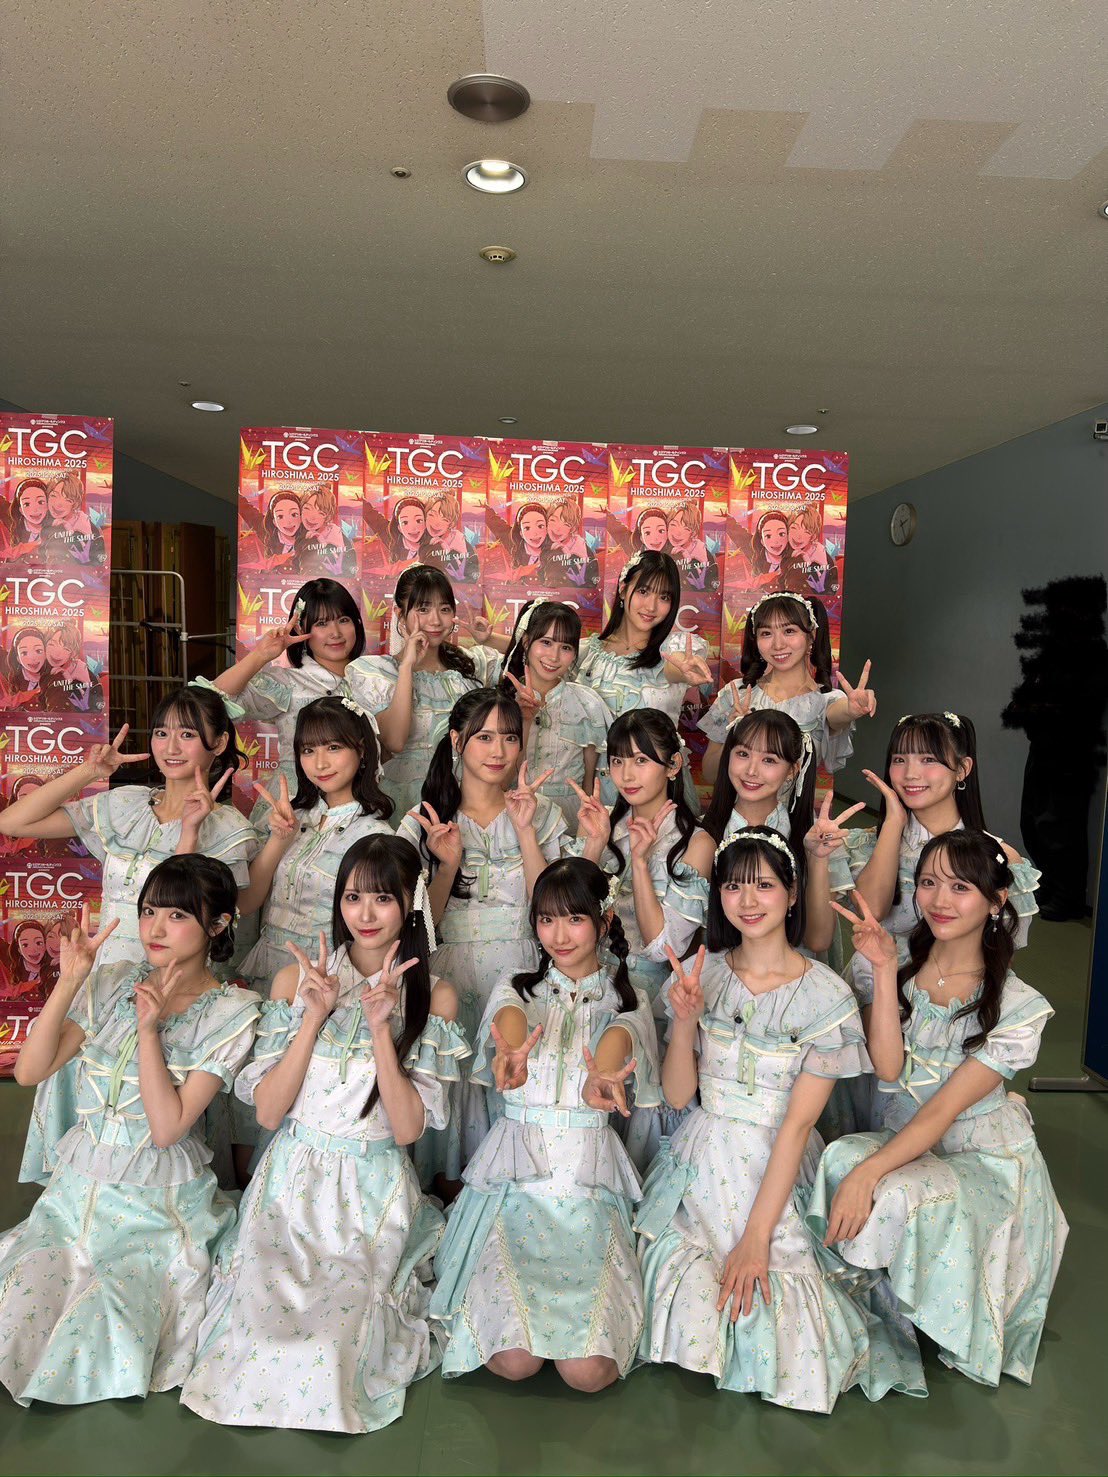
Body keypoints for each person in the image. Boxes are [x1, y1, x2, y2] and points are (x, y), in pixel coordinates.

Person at [180, 835, 466, 1433]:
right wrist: (313, 1016)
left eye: (382, 899)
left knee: (331, 1345)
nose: (365, 914)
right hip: (289, 1187)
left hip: (371, 1193)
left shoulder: (434, 996)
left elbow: (408, 1127)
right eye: (353, 897)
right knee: (258, 1332)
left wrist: (382, 1028)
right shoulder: (295, 982)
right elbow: (267, 1114)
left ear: (410, 903)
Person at [635, 829, 924, 1411]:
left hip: (779, 1163)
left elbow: (795, 1128)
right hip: (702, 1157)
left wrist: (755, 1239)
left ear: (792, 894)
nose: (747, 901)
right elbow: (678, 1094)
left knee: (783, 1328)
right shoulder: (702, 972)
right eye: (733, 886)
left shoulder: (826, 995)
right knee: (689, 1306)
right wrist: (685, 1022)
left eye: (764, 886)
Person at [808, 832, 1068, 1387]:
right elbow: (887, 1070)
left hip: (981, 1157)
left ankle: (935, 1312)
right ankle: (882, 1308)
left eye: (961, 887)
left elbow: (941, 1112)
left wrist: (870, 1172)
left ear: (997, 901)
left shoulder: (1017, 1005)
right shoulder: (896, 962)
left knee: (883, 1184)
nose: (940, 900)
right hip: (910, 1140)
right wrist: (883, 970)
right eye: (929, 883)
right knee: (838, 1158)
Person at [0, 859, 261, 1407]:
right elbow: (29, 1071)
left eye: (177, 915)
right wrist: (70, 980)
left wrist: (149, 1031)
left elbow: (167, 1129)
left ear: (218, 924)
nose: (156, 929)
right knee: (22, 1301)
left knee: (105, 1318)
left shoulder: (232, 1013)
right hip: (74, 1194)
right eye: (148, 912)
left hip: (155, 1207)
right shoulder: (115, 979)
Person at [0, 688, 257, 1185]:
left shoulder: (228, 828)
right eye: (161, 732)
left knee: (148, 1113)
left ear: (220, 742)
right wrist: (89, 772)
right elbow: (13, 821)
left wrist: (191, 831)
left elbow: (190, 904)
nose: (171, 746)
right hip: (102, 974)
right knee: (86, 1099)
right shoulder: (125, 805)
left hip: (175, 984)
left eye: (187, 734)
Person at [430, 857, 658, 1392]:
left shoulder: (630, 999)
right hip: (516, 1186)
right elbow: (510, 1022)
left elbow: (619, 1037)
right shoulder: (516, 986)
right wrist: (511, 1055)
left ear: (604, 921)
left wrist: (602, 1075)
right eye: (547, 919)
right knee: (515, 1362)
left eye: (575, 919)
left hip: (586, 1187)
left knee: (588, 1374)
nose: (559, 935)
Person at [397, 687, 568, 1186]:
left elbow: (550, 909)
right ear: (457, 740)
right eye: (485, 737)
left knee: (512, 1078)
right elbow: (415, 925)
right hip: (447, 974)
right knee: (452, 1084)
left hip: (521, 971)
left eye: (510, 738)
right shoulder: (422, 819)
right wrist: (447, 865)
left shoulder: (543, 812)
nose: (499, 751)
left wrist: (526, 830)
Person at [569, 709, 711, 1165]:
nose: (626, 774)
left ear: (673, 765)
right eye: (617, 760)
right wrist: (593, 846)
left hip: (653, 999)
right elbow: (569, 918)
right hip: (593, 988)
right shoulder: (600, 825)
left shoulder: (697, 843)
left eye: (641, 760)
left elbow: (662, 946)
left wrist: (644, 865)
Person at [843, 712, 1041, 961]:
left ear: (962, 769)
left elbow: (998, 958)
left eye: (928, 759)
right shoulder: (869, 844)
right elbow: (871, 913)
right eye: (899, 759)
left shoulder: (999, 858)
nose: (910, 774)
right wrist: (893, 823)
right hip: (868, 979)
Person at [201, 578, 388, 809]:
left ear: (356, 623)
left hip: (361, 803)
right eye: (322, 623)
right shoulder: (287, 684)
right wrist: (260, 655)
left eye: (343, 620)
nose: (335, 633)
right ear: (301, 628)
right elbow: (210, 703)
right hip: (294, 805)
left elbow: (391, 746)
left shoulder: (375, 680)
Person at [700, 708, 859, 955]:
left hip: (791, 969)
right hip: (720, 966)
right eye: (743, 754)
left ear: (793, 770)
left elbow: (818, 941)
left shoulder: (812, 835)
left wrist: (817, 858)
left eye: (769, 760)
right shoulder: (702, 835)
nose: (751, 770)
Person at [576, 551, 712, 807]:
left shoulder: (672, 649)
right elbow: (540, 650)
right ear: (623, 589)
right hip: (597, 789)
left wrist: (684, 669)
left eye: (664, 597)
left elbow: (675, 667)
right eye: (643, 591)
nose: (651, 606)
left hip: (657, 792)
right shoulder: (586, 653)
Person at [344, 565, 482, 819]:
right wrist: (407, 666)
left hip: (459, 806)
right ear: (400, 613)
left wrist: (486, 638)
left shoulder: (468, 672)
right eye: (423, 609)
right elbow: (394, 741)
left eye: (444, 609)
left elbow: (529, 648)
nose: (435, 620)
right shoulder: (374, 671)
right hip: (400, 806)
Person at [700, 592, 874, 782]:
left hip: (796, 803)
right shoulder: (736, 694)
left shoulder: (826, 699)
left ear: (811, 635)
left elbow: (838, 714)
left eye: (789, 631)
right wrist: (734, 735)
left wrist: (851, 710)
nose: (778, 644)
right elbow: (709, 775)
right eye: (766, 633)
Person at [486, 599, 612, 831]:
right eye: (546, 642)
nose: (554, 656)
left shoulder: (587, 703)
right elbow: (500, 781)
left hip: (570, 818)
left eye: (566, 647)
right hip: (515, 815)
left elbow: (590, 782)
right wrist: (523, 720)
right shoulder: (500, 703)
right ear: (526, 642)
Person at [42, 468, 105, 565]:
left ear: (75, 504)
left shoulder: (89, 529)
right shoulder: (45, 522)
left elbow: (95, 564)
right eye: (53, 495)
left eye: (68, 500)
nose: (58, 504)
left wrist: (70, 532)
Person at [39, 621, 103, 712]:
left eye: (66, 649)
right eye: (52, 644)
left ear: (73, 653)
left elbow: (93, 706)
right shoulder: (44, 667)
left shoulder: (82, 671)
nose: (57, 654)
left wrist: (68, 680)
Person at [782, 503, 839, 599]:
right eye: (794, 528)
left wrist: (807, 564)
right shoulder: (785, 553)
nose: (798, 536)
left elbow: (829, 593)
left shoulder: (825, 560)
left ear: (813, 536)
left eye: (807, 532)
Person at [299, 483, 354, 576]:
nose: (312, 517)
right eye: (307, 508)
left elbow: (346, 572)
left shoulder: (338, 538)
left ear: (328, 517)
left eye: (321, 513)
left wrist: (321, 541)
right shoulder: (300, 533)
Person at [542, 495, 597, 587]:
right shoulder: (543, 545)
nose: (557, 528)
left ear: (573, 528)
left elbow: (591, 584)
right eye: (553, 520)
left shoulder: (583, 551)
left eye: (566, 524)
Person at [666, 499, 718, 593]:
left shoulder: (704, 554)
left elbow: (710, 589)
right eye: (673, 524)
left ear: (693, 533)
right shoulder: (664, 550)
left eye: (686, 529)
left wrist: (689, 561)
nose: (678, 533)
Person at [425, 492, 478, 582]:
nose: (436, 523)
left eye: (445, 519)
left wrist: (447, 550)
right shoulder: (423, 539)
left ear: (451, 523)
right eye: (431, 515)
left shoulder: (461, 544)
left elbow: (469, 578)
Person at [258, 490, 304, 568]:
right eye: (280, 516)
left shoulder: (308, 540)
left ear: (301, 517)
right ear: (274, 522)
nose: (288, 522)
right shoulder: (269, 536)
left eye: (294, 514)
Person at [386, 495, 431, 572]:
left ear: (425, 522)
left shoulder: (432, 546)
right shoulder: (397, 543)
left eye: (418, 521)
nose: (413, 528)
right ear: (399, 528)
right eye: (405, 522)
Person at [750, 508, 789, 582]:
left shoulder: (794, 561)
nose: (776, 541)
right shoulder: (759, 559)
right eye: (768, 536)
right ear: (762, 541)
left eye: (781, 534)